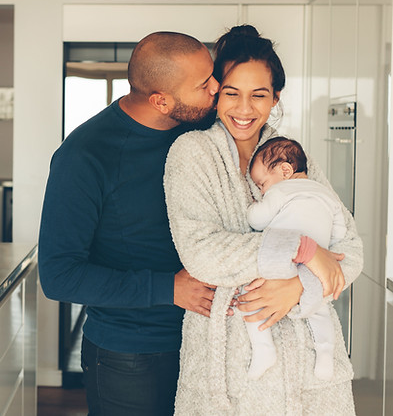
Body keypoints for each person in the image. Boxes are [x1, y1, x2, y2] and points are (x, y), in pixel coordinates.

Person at [164, 25, 363, 415]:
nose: (243, 108)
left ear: (275, 99)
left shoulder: (292, 159)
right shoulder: (191, 154)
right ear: (215, 93)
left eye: (259, 95)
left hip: (310, 366)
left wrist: (300, 286)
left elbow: (350, 250)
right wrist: (306, 252)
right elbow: (202, 252)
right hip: (230, 365)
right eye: (231, 93)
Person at [38, 31, 221, 416]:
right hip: (130, 357)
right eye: (204, 84)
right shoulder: (83, 156)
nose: (216, 88)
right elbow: (58, 275)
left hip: (207, 341)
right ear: (161, 100)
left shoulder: (197, 130)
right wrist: (168, 288)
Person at [244, 136, 347, 381]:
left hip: (284, 257)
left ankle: (263, 349)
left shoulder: (280, 191)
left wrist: (252, 207)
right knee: (320, 310)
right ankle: (325, 354)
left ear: (285, 170)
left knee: (249, 297)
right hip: (315, 267)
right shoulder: (326, 194)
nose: (262, 190)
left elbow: (257, 220)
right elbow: (341, 231)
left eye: (262, 184)